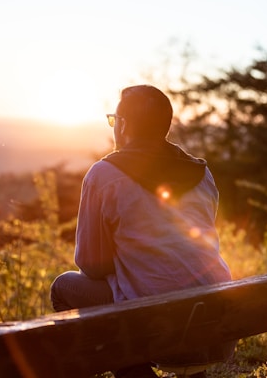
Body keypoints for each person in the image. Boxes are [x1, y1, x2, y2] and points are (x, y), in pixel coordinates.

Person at [50, 85, 233, 378]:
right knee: (170, 287)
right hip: (217, 329)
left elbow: (91, 265)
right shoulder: (202, 173)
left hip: (157, 328)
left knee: (64, 288)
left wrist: (126, 264)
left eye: (114, 119)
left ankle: (133, 371)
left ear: (123, 125)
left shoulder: (104, 174)